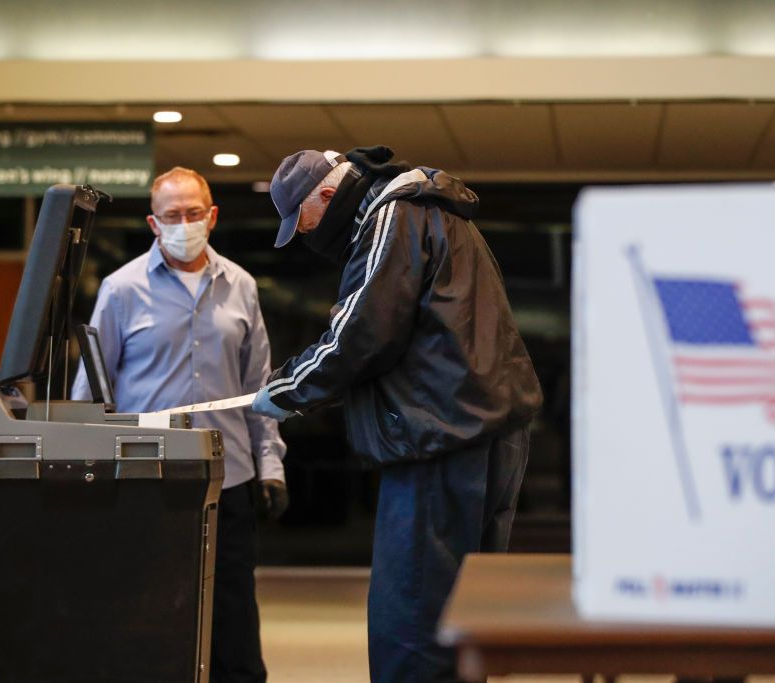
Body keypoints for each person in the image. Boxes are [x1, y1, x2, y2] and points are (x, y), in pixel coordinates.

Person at [251, 146, 543, 682]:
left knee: (412, 618)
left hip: (438, 435)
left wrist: (288, 388)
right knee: (464, 613)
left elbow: (362, 331)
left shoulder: (393, 215)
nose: (308, 236)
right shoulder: (437, 211)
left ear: (324, 194)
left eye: (302, 222)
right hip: (485, 428)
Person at [72, 166, 287, 683]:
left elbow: (262, 389)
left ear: (211, 216)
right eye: (172, 215)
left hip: (228, 480)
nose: (184, 223)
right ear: (153, 222)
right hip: (148, 484)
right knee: (151, 615)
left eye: (194, 213)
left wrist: (271, 467)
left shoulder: (242, 286)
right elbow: (90, 392)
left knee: (234, 621)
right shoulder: (120, 291)